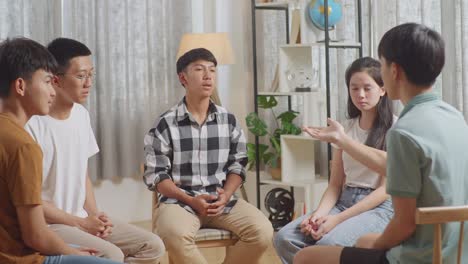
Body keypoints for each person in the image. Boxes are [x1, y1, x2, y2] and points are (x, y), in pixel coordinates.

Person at [294, 22, 468, 264]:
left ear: (394, 70)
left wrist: (374, 244)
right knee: (360, 242)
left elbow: (404, 224)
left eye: (382, 64)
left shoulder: (403, 132)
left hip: (417, 256)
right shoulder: (455, 117)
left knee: (305, 258)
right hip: (455, 252)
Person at [25, 38, 165, 263]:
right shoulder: (33, 125)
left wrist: (94, 215)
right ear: (56, 80)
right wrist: (80, 223)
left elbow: (83, 175)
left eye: (92, 74)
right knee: (112, 254)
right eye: (81, 76)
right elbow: (30, 200)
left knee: (152, 245)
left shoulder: (81, 115)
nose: (89, 83)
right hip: (51, 224)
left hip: (81, 218)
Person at [143, 48, 274, 264]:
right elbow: (156, 175)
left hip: (221, 201)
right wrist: (190, 199)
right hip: (179, 202)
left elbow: (238, 164)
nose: (208, 75)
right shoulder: (165, 123)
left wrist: (226, 195)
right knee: (173, 234)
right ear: (183, 78)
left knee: (262, 232)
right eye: (200, 69)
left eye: (212, 70)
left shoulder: (228, 120)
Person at [0, 37, 122, 264]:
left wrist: (91, 217)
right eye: (47, 82)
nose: (53, 91)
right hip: (23, 257)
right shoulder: (24, 145)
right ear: (20, 86)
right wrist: (74, 252)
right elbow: (35, 235)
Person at [274, 57, 396, 264]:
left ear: (383, 90)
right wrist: (318, 216)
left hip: (378, 207)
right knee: (284, 238)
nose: (361, 95)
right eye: (354, 88)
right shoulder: (344, 129)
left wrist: (336, 220)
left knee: (327, 244)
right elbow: (335, 184)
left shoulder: (395, 129)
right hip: (343, 201)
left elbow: (385, 191)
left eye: (368, 88)